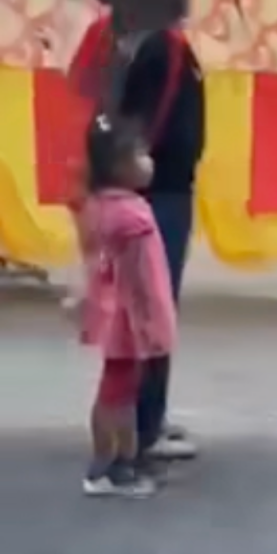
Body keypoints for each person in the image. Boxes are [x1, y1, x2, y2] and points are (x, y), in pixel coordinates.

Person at [115, 0, 205, 464]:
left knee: (149, 309)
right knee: (152, 311)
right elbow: (146, 124)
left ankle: (148, 418)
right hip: (159, 196)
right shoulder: (164, 49)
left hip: (160, 191)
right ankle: (141, 428)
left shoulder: (148, 46)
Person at [76, 115, 177, 498]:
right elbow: (138, 279)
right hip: (131, 320)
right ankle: (107, 468)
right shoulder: (130, 214)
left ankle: (122, 464)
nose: (148, 159)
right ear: (120, 166)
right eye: (140, 153)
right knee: (116, 395)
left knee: (119, 393)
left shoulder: (102, 206)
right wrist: (148, 325)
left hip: (119, 316)